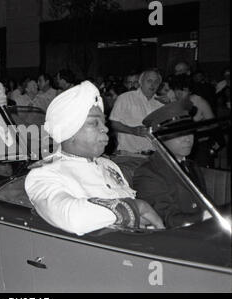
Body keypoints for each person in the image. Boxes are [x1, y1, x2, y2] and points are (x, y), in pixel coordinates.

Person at [25, 81, 164, 236]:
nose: (105, 128)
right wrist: (136, 208)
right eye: (93, 123)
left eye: (103, 122)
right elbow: (73, 218)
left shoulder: (108, 165)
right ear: (68, 131)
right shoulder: (44, 173)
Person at [133, 100, 211, 228]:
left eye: (189, 131)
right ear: (160, 138)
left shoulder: (191, 166)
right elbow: (165, 219)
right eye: (179, 134)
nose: (187, 138)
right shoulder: (148, 173)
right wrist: (207, 216)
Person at [109, 69, 164, 156]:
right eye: (149, 81)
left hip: (155, 156)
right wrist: (133, 130)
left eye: (156, 82)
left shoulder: (161, 103)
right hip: (130, 155)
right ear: (140, 82)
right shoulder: (125, 98)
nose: (153, 85)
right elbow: (114, 124)